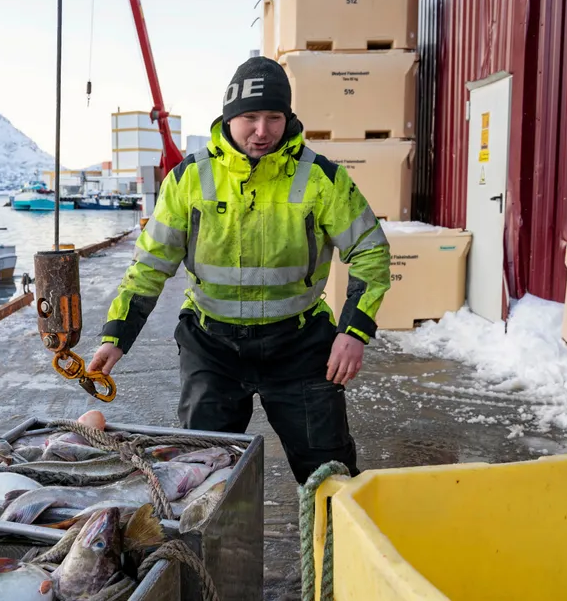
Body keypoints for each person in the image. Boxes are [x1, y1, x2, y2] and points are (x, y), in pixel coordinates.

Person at [88, 56, 391, 483]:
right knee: (200, 477)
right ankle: (203, 551)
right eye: (250, 117)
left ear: (289, 118)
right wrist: (116, 336)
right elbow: (150, 266)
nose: (262, 131)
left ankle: (337, 549)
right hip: (212, 348)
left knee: (330, 476)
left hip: (300, 347)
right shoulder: (188, 179)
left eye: (274, 117)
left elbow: (370, 252)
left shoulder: (323, 178)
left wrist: (354, 331)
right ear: (228, 118)